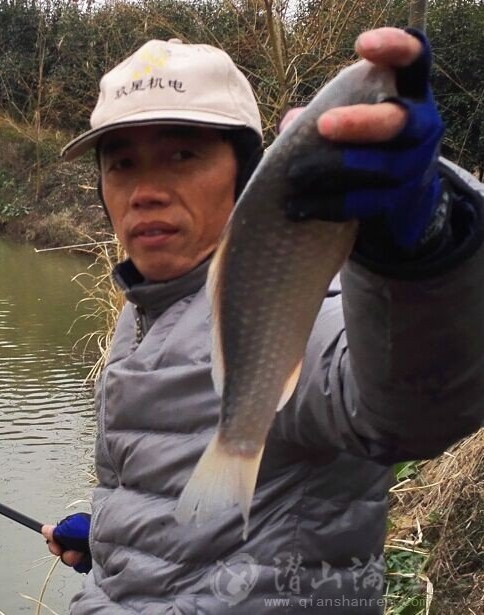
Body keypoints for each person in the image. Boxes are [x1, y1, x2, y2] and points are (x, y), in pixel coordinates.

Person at [41, 27, 483, 613]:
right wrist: (112, 539)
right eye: (121, 163)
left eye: (182, 155)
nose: (144, 191)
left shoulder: (301, 299)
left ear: (248, 173)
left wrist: (424, 249)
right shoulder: (144, 305)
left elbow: (411, 407)